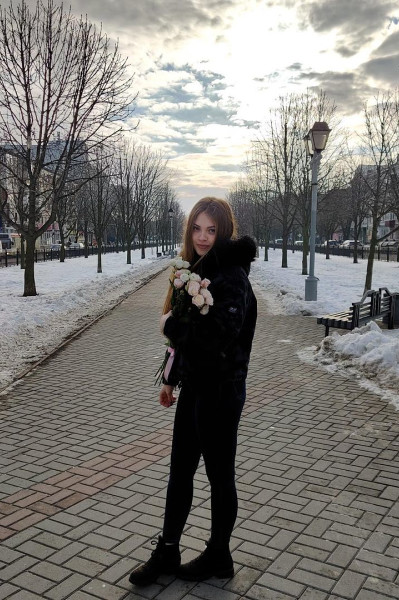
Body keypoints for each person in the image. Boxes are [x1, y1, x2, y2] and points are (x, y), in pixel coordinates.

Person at [129, 197, 257, 586]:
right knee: (180, 472)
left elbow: (215, 339)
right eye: (197, 228)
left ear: (224, 232)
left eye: (211, 230)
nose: (202, 237)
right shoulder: (195, 270)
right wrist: (170, 379)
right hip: (195, 389)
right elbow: (184, 343)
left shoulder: (232, 276)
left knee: (220, 476)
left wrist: (169, 324)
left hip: (222, 391)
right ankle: (168, 550)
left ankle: (219, 555)